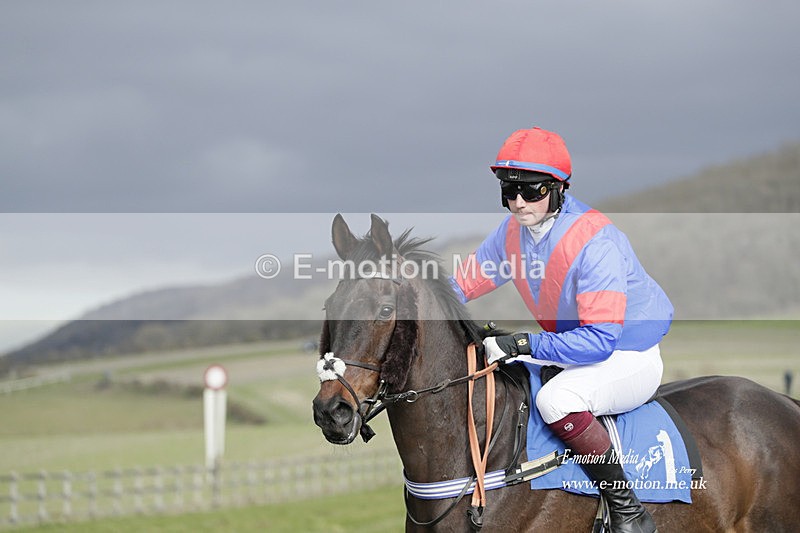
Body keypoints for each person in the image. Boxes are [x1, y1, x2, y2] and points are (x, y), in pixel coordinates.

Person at [449, 127, 672, 533]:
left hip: (627, 353)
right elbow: (461, 284)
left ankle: (628, 510)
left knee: (554, 400)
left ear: (557, 188)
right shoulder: (511, 234)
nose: (518, 203)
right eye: (508, 191)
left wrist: (521, 343)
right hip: (575, 345)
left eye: (531, 191)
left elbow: (600, 341)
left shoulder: (595, 242)